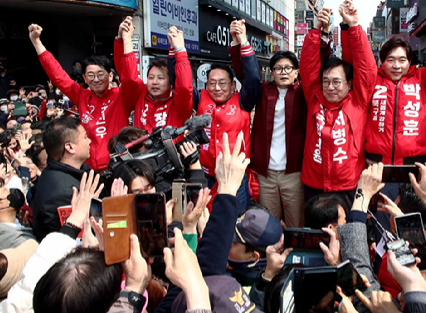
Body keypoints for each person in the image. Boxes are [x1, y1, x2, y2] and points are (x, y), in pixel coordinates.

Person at [28, 22, 141, 170]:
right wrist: (36, 42)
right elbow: (58, 76)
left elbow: (130, 78)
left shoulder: (121, 97)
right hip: (87, 169)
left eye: (100, 74)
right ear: (85, 78)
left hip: (117, 167)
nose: (96, 79)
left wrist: (123, 40)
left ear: (111, 75)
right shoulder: (81, 96)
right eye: (90, 75)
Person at [362, 7, 426, 166]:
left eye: (402, 60)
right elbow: (361, 60)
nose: (396, 65)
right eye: (391, 60)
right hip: (376, 165)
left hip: (414, 165)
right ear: (382, 62)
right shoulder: (373, 80)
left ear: (409, 62)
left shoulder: (422, 80)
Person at [300, 0, 375, 199]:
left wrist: (354, 26)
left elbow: (365, 68)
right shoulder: (314, 97)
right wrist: (315, 30)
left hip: (349, 185)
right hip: (314, 184)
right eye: (326, 81)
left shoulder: (358, 101)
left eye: (336, 82)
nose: (330, 87)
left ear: (349, 84)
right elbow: (308, 66)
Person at [191, 20, 261, 213]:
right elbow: (180, 85)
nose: (217, 88)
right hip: (206, 176)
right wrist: (178, 50)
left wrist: (243, 41)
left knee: (236, 225)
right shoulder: (200, 99)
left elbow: (253, 78)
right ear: (205, 85)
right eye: (212, 83)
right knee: (206, 222)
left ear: (233, 86)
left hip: (235, 177)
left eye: (223, 83)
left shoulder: (243, 101)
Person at [234, 46, 307, 227]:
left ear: (297, 71)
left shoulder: (304, 93)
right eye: (278, 68)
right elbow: (245, 74)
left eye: (288, 68)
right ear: (271, 73)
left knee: (296, 223)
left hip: (294, 173)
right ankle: (272, 254)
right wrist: (239, 45)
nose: (283, 72)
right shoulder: (263, 91)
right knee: (269, 223)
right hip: (266, 174)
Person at [114, 18, 193, 133]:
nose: (155, 82)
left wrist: (180, 50)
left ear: (171, 83)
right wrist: (124, 40)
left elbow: (185, 87)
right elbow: (128, 77)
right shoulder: (140, 96)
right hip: (139, 151)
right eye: (151, 77)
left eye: (161, 78)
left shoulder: (179, 106)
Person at [32, 117, 93, 241]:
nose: (90, 141)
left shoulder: (52, 173)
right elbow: (74, 242)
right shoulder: (64, 194)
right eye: (85, 137)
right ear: (70, 147)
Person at [0, 176, 35, 253]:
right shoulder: (11, 242)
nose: (10, 190)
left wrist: (26, 227)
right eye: (4, 190)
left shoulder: (16, 220)